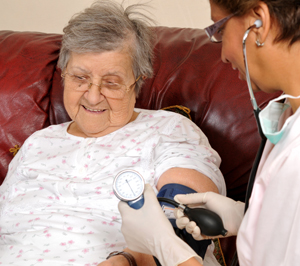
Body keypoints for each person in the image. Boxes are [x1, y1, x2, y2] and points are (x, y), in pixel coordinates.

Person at [117, 0, 300, 265]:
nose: (223, 55)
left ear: (258, 21)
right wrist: (251, 218)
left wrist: (166, 246)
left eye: (219, 29)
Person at [0, 1, 226, 265]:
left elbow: (187, 219)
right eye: (80, 78)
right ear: (63, 75)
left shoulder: (168, 130)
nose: (93, 96)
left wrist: (129, 260)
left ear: (138, 82)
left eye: (111, 83)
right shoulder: (38, 142)